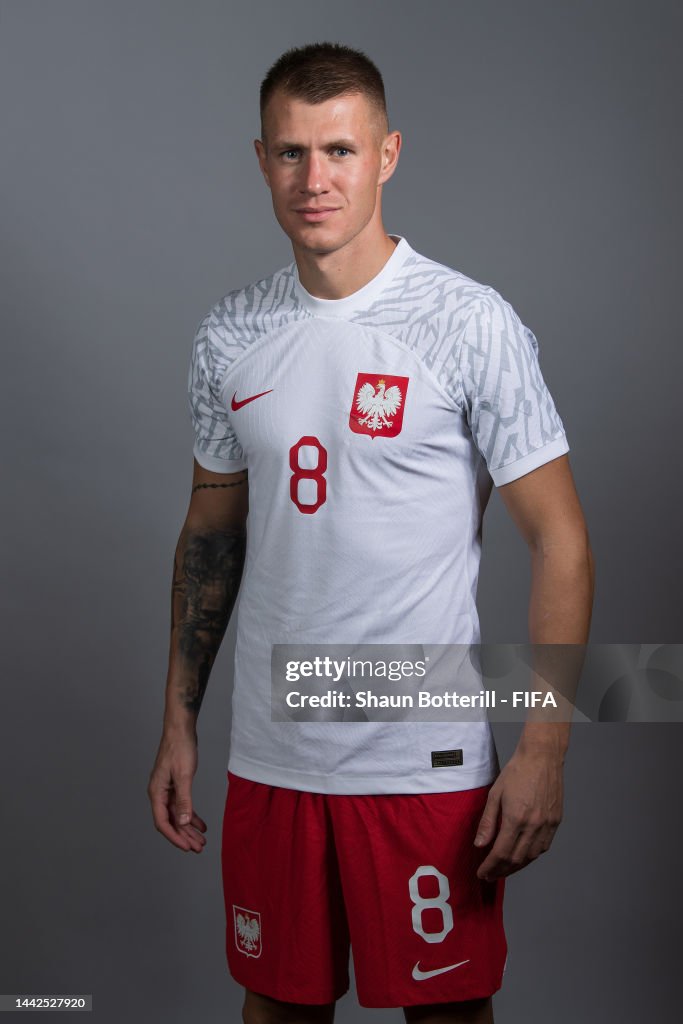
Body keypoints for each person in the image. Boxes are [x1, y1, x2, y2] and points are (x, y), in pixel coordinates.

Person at [148, 41, 595, 1024]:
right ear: (260, 159)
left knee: (442, 1013)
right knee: (275, 1005)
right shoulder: (229, 333)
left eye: (339, 151)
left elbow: (560, 539)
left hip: (419, 757)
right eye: (292, 153)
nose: (316, 180)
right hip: (270, 757)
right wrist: (180, 717)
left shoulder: (466, 323)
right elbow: (210, 532)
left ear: (386, 155)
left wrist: (543, 749)